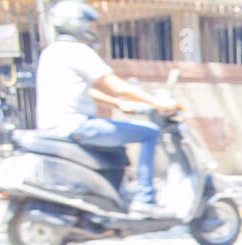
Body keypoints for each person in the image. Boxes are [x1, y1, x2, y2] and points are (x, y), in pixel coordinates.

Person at [36, 1, 183, 214]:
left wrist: (117, 104)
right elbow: (116, 86)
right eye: (88, 23)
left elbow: (84, 91)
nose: (91, 29)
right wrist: (156, 102)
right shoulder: (77, 51)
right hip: (77, 126)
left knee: (116, 143)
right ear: (76, 23)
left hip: (56, 127)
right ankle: (145, 199)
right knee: (149, 132)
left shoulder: (50, 52)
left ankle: (117, 195)